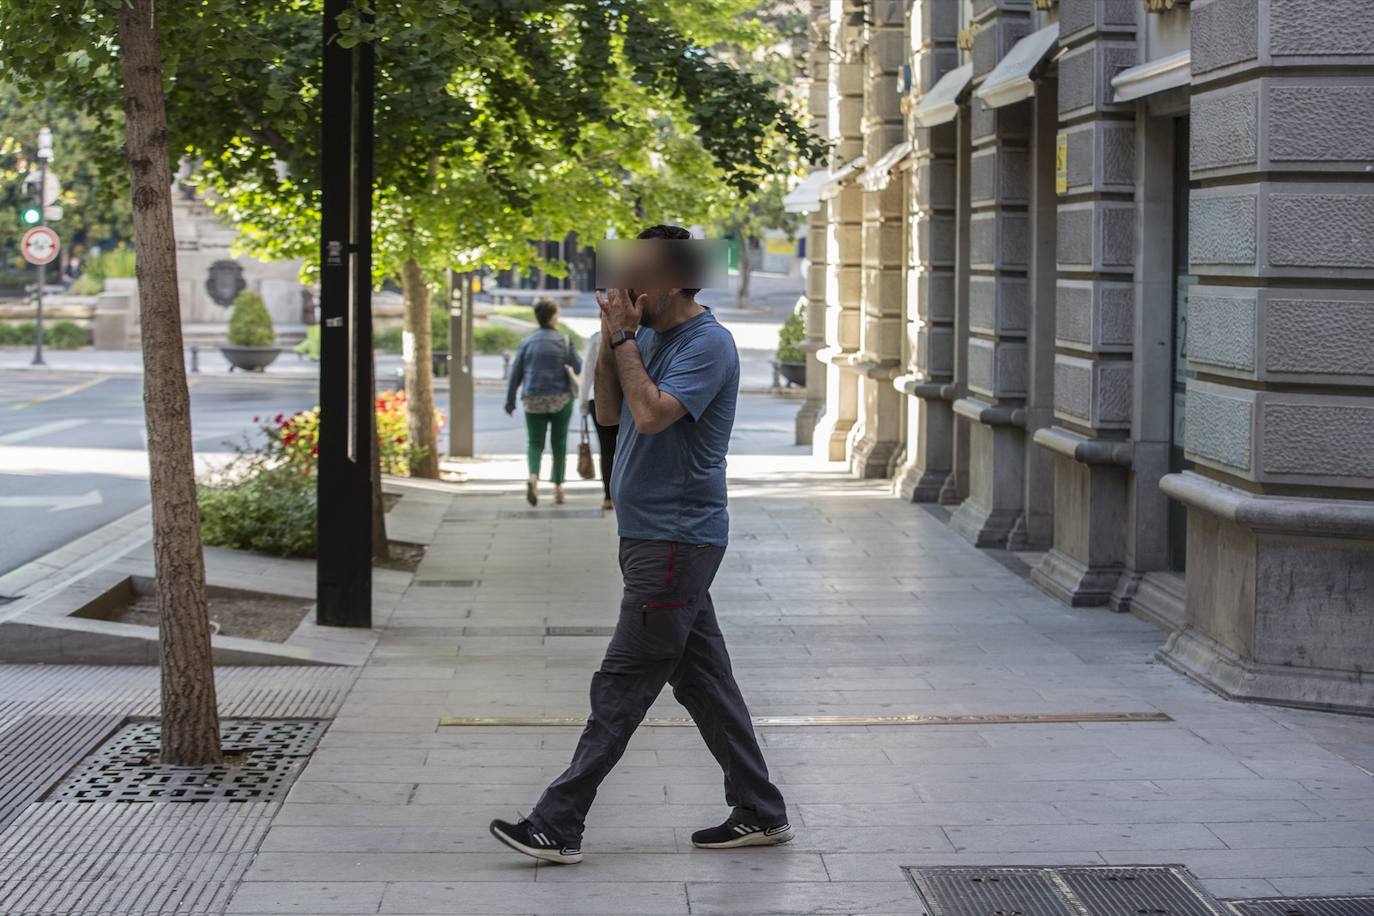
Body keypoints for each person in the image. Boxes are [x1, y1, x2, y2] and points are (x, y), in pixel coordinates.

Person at [490, 225, 791, 865]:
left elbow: (653, 414)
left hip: (676, 539)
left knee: (622, 683)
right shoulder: (643, 334)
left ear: (678, 279)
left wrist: (625, 339)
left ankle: (558, 821)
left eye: (641, 273)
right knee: (705, 682)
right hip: (653, 536)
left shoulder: (707, 344)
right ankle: (760, 812)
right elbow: (608, 411)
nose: (627, 282)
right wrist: (611, 340)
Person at [504, 299, 582, 506]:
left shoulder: (526, 342)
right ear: (553, 316)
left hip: (533, 398)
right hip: (561, 399)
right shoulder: (564, 340)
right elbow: (579, 366)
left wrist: (510, 401)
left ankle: (533, 477)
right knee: (559, 443)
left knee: (535, 443)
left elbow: (515, 374)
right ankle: (558, 488)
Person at [579, 329, 619, 511]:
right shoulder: (632, 334)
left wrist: (583, 405)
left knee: (607, 449)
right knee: (628, 450)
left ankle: (608, 497)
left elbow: (587, 372)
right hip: (624, 398)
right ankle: (621, 495)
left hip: (598, 397)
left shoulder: (596, 338)